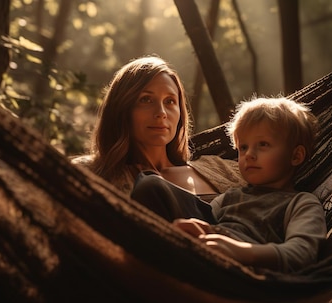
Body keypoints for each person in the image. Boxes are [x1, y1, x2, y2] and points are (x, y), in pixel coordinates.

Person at [132, 96, 327, 273]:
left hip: (240, 276)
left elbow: (301, 254)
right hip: (201, 254)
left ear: (295, 156)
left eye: (263, 144)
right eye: (243, 147)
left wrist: (240, 251)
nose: (249, 154)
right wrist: (202, 229)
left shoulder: (301, 203)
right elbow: (207, 222)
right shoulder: (231, 196)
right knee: (150, 184)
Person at [71, 55, 245, 221]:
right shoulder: (90, 174)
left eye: (170, 101)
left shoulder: (221, 167)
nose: (161, 113)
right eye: (146, 100)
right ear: (122, 109)